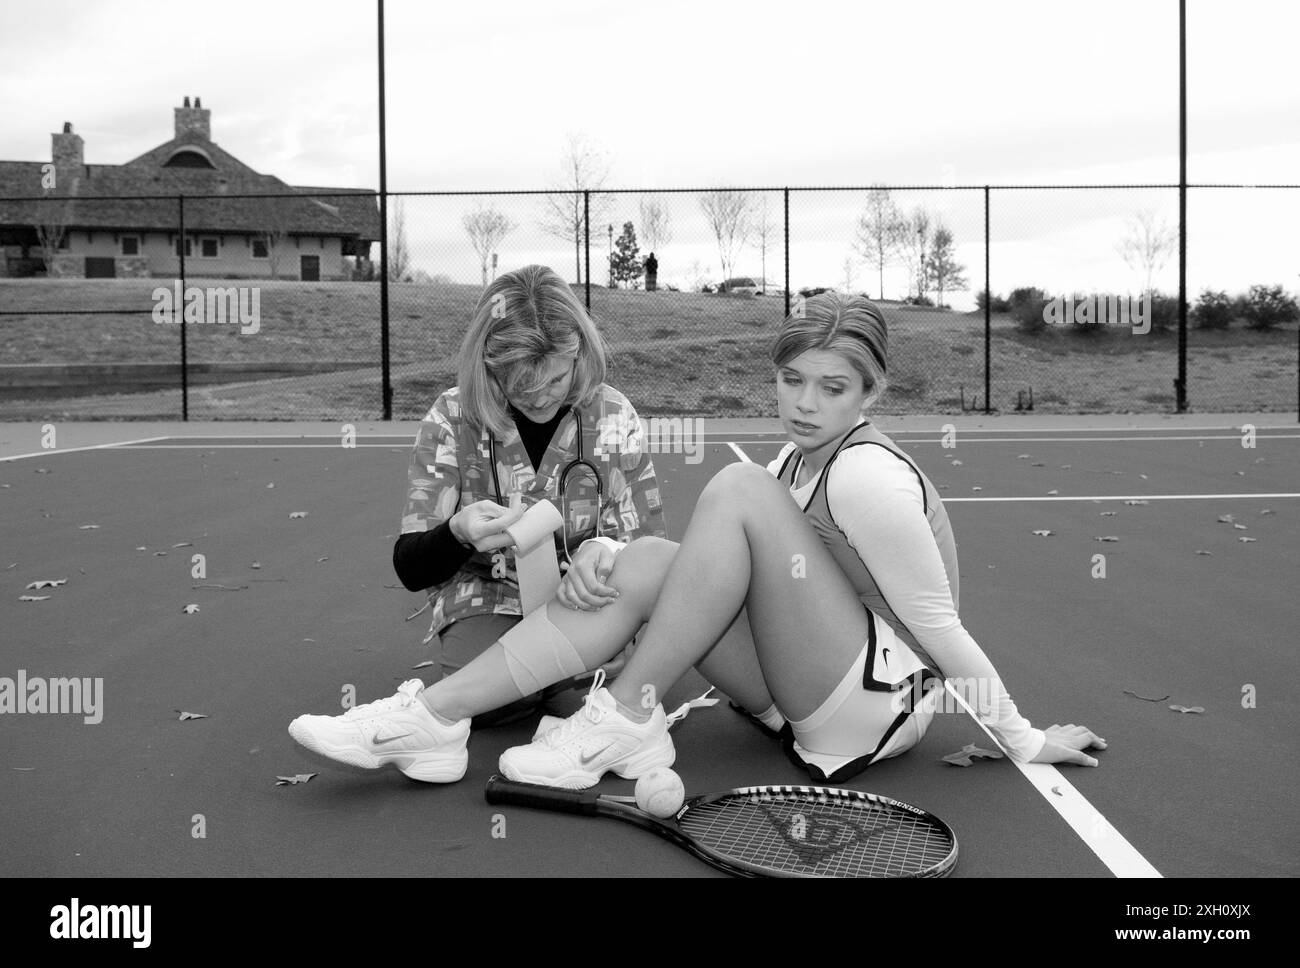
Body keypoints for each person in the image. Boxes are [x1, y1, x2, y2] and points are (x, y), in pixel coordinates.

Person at [291, 293, 1105, 788]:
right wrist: (606, 559)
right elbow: (719, 581)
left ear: (872, 391)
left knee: (735, 490)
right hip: (814, 689)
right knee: (643, 558)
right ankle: (433, 721)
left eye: (833, 388)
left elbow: (939, 627)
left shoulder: (865, 477)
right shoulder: (796, 457)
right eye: (791, 380)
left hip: (877, 708)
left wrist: (1025, 738)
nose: (805, 403)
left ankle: (627, 711)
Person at [288, 264, 666, 781]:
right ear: (488, 366)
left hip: (591, 602)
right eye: (520, 385)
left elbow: (651, 548)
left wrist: (605, 552)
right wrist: (458, 533)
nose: (542, 398)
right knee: (487, 698)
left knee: (604, 677)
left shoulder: (613, 415)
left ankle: (535, 694)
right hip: (488, 598)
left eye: (556, 377)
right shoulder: (451, 417)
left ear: (579, 349)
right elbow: (410, 565)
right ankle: (530, 693)